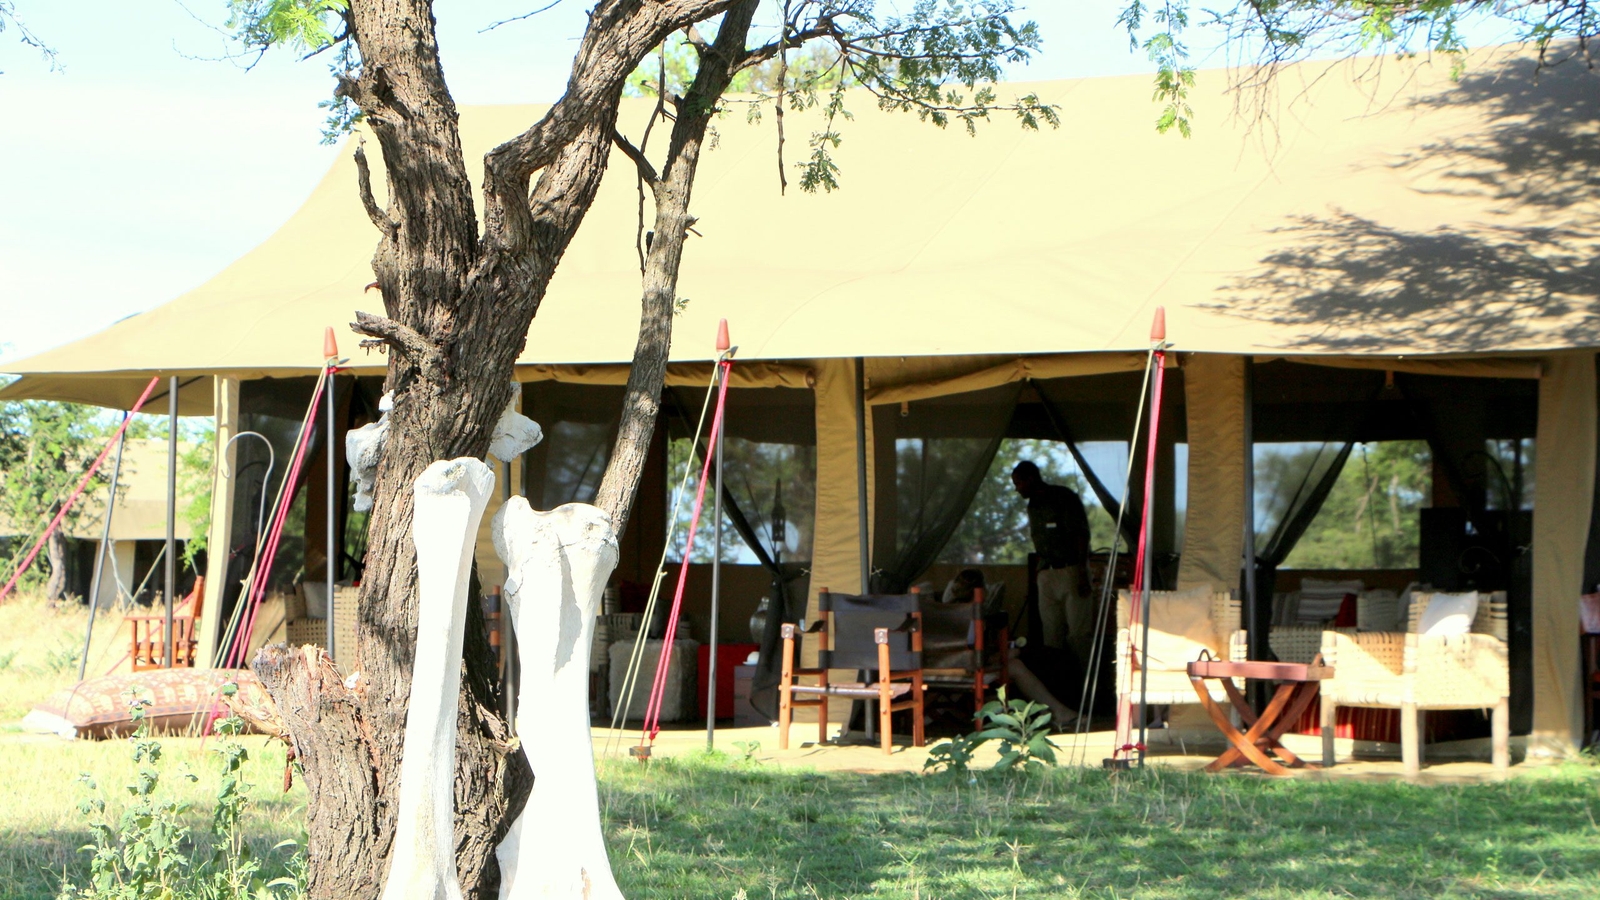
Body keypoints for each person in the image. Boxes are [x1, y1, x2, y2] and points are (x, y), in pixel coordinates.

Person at [1010, 460, 1093, 670]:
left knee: (1078, 633)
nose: (1017, 489)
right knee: (1051, 633)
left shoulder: (1063, 497)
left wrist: (1082, 572)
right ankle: (1056, 679)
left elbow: (1080, 534)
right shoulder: (1032, 506)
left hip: (1071, 569)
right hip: (1046, 573)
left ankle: (1084, 677)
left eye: (1019, 483)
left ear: (1031, 479)